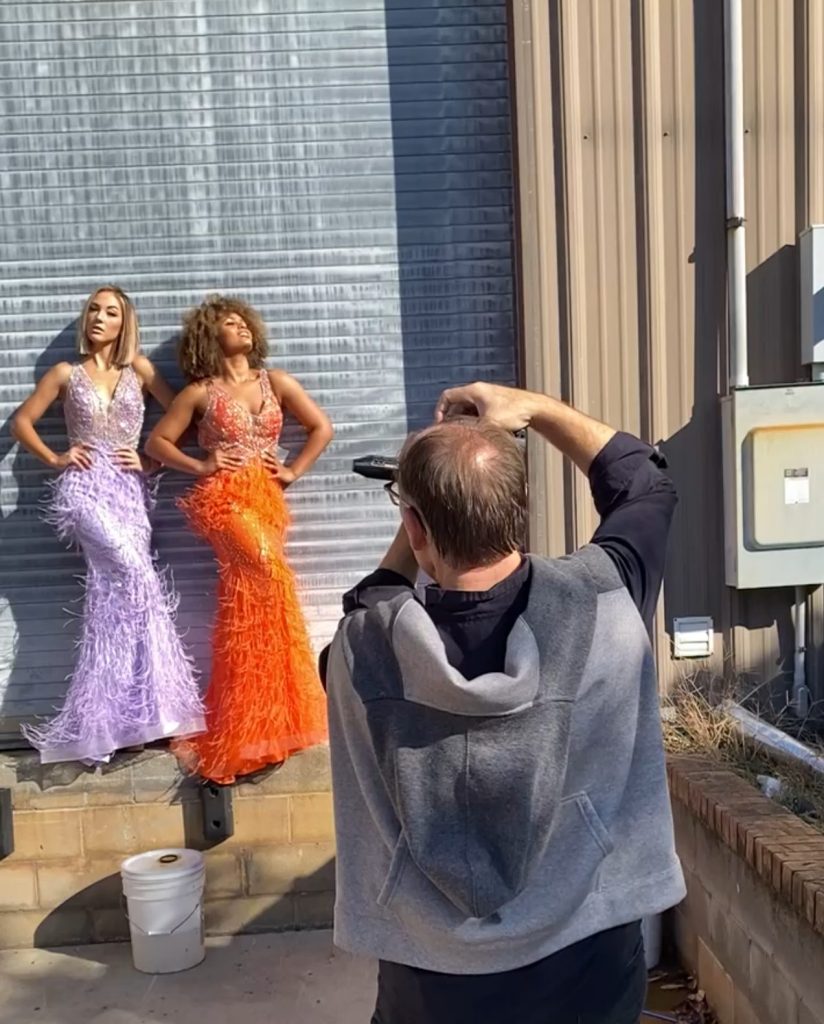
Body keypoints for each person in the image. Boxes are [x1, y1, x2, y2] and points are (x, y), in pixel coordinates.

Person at [322, 381, 686, 1024]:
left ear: (412, 525)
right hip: (589, 967)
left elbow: (377, 590)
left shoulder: (363, 648)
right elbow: (645, 483)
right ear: (520, 510)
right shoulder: (603, 599)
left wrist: (425, 495)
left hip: (428, 986)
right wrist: (535, 409)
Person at [11, 285, 204, 765]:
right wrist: (56, 456)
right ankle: (118, 717)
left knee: (117, 602)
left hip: (129, 496)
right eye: (93, 310)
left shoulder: (138, 370)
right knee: (137, 581)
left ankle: (130, 719)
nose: (99, 317)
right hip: (84, 493)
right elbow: (22, 423)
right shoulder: (65, 373)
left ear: (124, 323)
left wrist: (152, 460)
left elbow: (183, 418)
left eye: (110, 312)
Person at [146, 294, 333, 785]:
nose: (241, 328)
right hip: (224, 501)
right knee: (269, 573)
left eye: (245, 321)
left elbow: (321, 427)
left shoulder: (277, 382)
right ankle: (248, 721)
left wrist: (292, 468)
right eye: (229, 323)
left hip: (266, 498)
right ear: (211, 335)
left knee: (259, 600)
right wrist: (202, 464)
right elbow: (157, 444)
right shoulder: (199, 394)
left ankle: (267, 719)